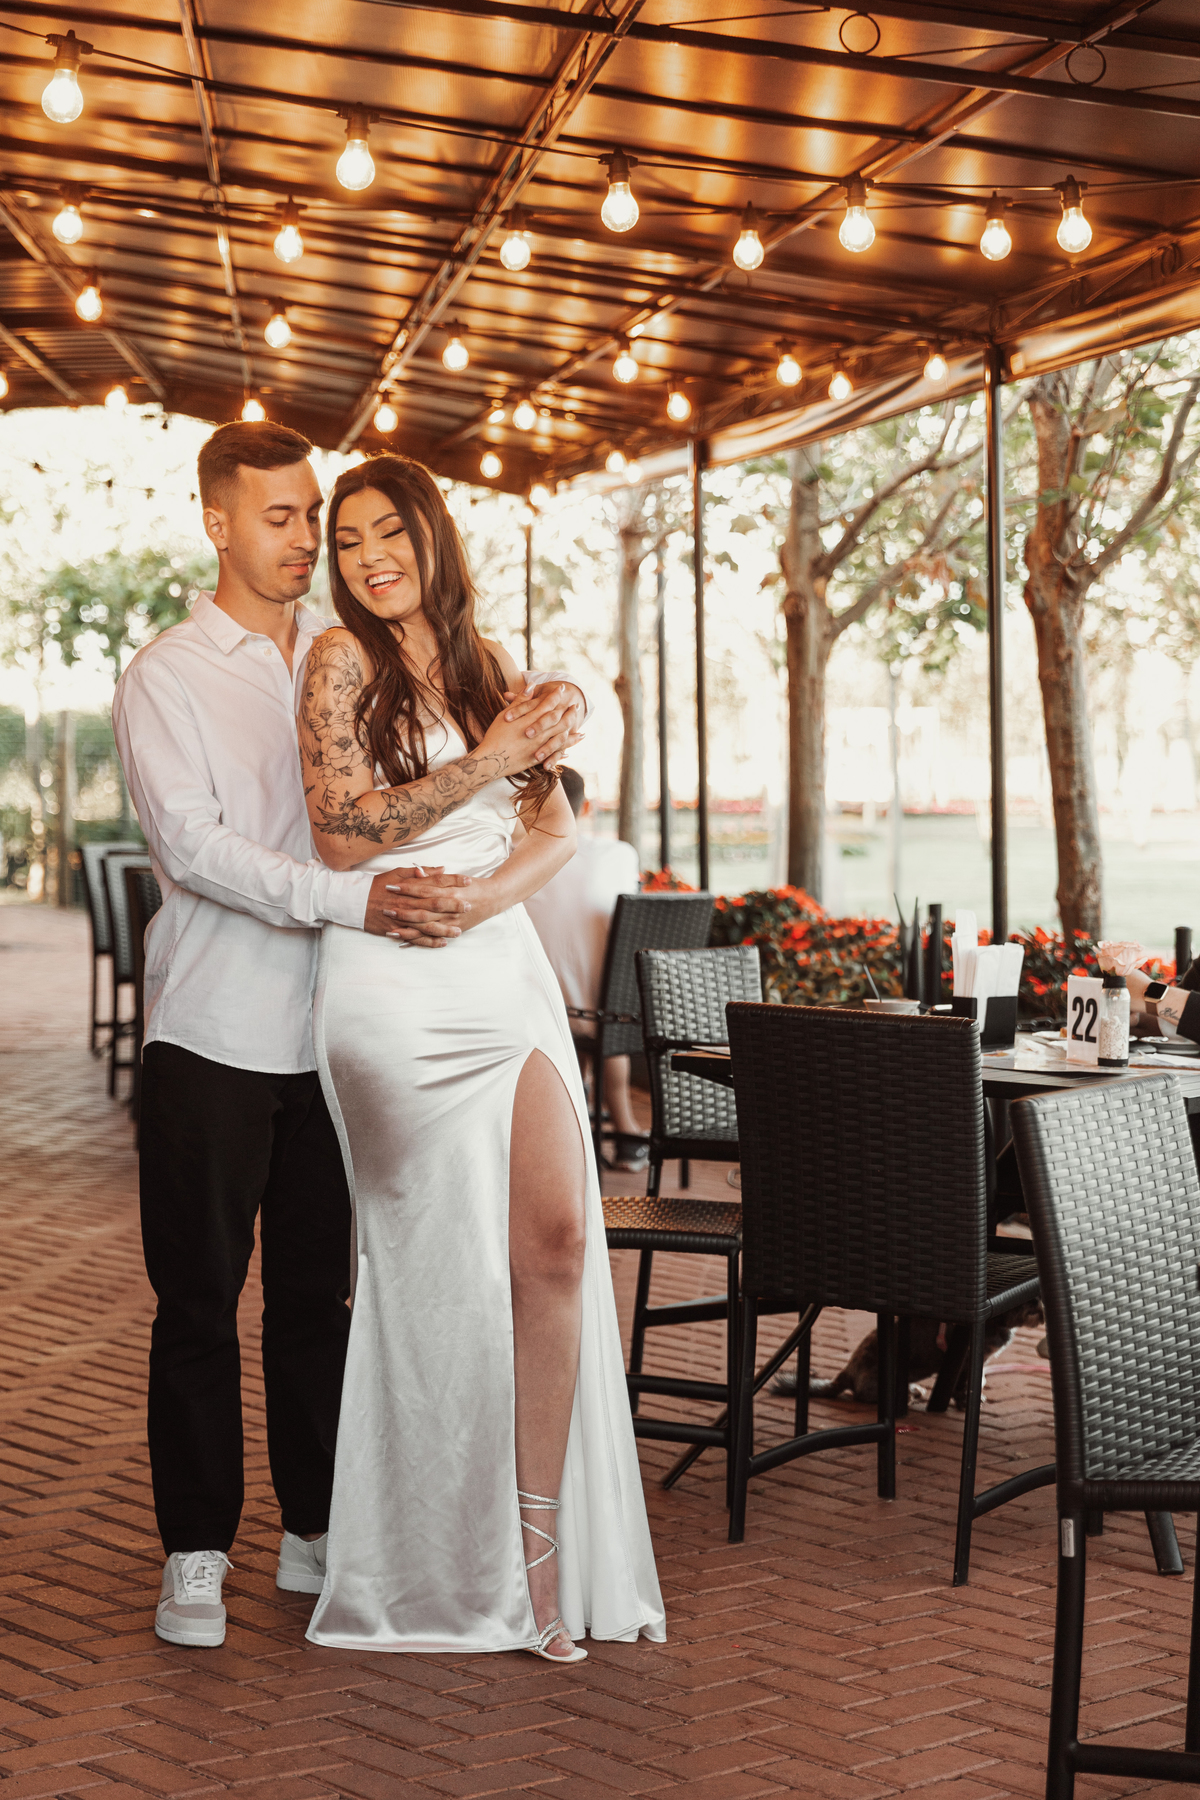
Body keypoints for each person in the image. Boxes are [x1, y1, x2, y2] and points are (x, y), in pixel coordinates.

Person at [112, 421, 586, 1650]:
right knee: (200, 1298)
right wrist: (348, 895)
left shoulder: (356, 654)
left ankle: (318, 1522)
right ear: (217, 522)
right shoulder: (169, 673)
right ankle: (197, 1550)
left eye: (310, 514)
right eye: (279, 517)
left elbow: (507, 792)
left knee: (317, 1298)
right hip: (216, 1025)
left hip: (332, 1022)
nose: (306, 538)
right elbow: (197, 850)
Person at [298, 454, 665, 1661]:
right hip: (389, 995)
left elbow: (559, 823)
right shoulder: (336, 660)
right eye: (346, 538)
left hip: (495, 969)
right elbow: (345, 839)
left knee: (557, 1246)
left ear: (431, 535)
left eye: (386, 529)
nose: (366, 555)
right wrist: (490, 760)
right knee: (437, 1276)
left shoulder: (487, 666)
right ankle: (433, 1567)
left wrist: (482, 897)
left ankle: (543, 1556)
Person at [524, 768, 648, 1170]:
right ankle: (626, 1130)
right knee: (601, 999)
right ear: (586, 807)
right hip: (614, 1012)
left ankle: (578, 1130)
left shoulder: (518, 857)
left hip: (545, 1008)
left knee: (571, 1000)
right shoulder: (619, 854)